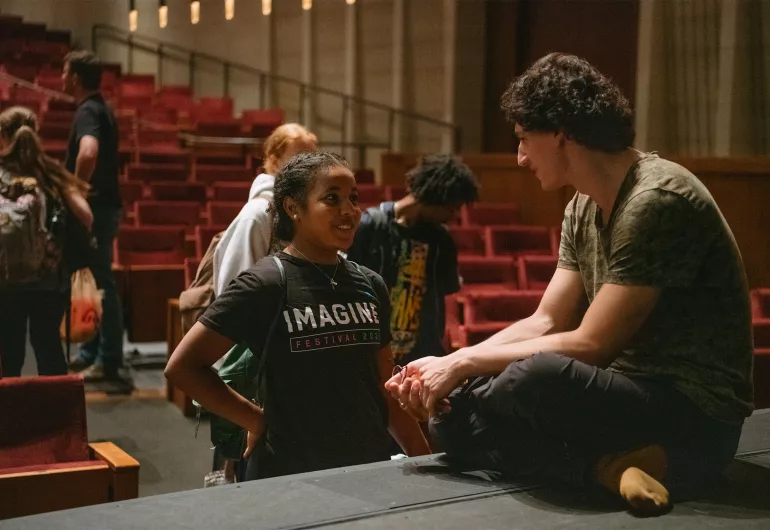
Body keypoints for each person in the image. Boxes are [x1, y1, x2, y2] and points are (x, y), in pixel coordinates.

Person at [386, 53, 753, 515]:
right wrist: (452, 365)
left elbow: (592, 343)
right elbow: (545, 320)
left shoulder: (655, 199)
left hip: (693, 415)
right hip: (623, 402)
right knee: (449, 423)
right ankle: (608, 470)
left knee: (532, 377)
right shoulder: (581, 207)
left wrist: (463, 371)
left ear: (559, 132)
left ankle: (671, 459)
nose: (519, 157)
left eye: (523, 139)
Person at [166, 151, 431, 480]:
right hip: (290, 471)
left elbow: (382, 386)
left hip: (367, 466)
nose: (349, 211)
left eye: (353, 199)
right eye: (332, 199)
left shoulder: (369, 283)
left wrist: (426, 461)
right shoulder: (266, 283)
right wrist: (255, 419)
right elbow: (184, 367)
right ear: (293, 208)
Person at [346, 154, 479, 366]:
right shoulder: (369, 226)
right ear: (433, 197)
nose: (454, 216)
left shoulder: (441, 239)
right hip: (373, 351)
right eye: (451, 208)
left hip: (423, 355)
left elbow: (446, 299)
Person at [0, 106, 93, 377]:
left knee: (9, 353)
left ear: (3, 135)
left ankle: (8, 415)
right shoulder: (50, 171)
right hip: (48, 279)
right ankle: (55, 416)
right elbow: (86, 217)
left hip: (6, 280)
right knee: (48, 347)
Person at [61, 50, 124, 381]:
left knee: (102, 282)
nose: (60, 78)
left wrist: (74, 189)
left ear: (74, 77)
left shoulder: (88, 111)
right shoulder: (101, 108)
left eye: (64, 72)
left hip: (95, 210)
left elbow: (88, 151)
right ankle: (92, 351)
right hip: (103, 208)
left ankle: (109, 358)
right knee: (97, 281)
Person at [213, 123, 317, 296]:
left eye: (313, 159)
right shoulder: (258, 213)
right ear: (275, 162)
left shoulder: (311, 211)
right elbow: (235, 292)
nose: (311, 167)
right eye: (299, 158)